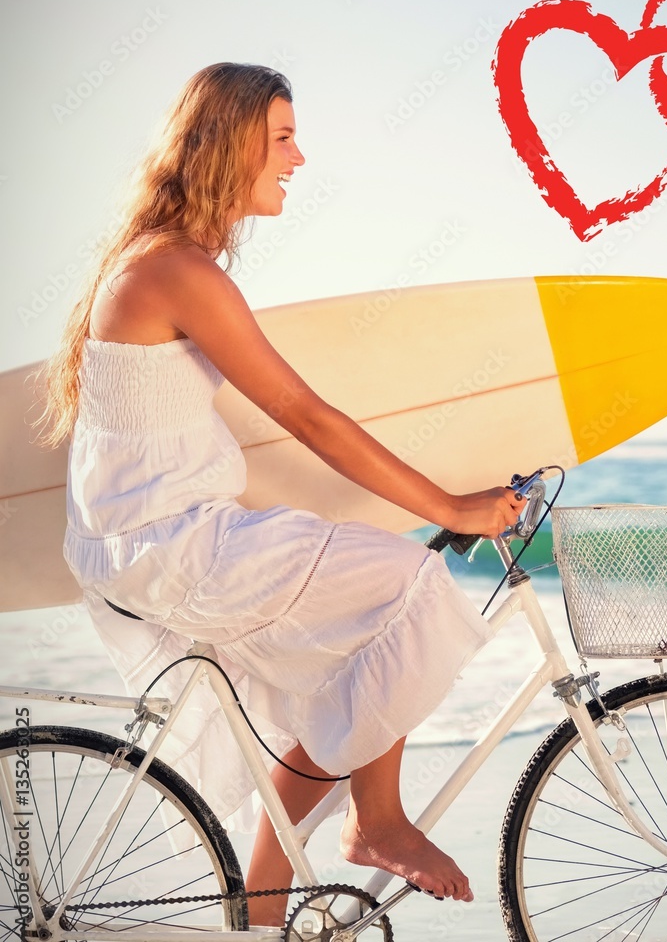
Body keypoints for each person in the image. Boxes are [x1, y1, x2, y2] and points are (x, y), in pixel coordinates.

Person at [38, 62, 524, 924]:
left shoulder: (159, 262)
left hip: (152, 541)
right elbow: (304, 413)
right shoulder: (181, 272)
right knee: (405, 583)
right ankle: (376, 824)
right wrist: (448, 508)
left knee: (341, 686)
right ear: (231, 146)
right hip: (173, 546)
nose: (299, 159)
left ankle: (263, 916)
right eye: (284, 139)